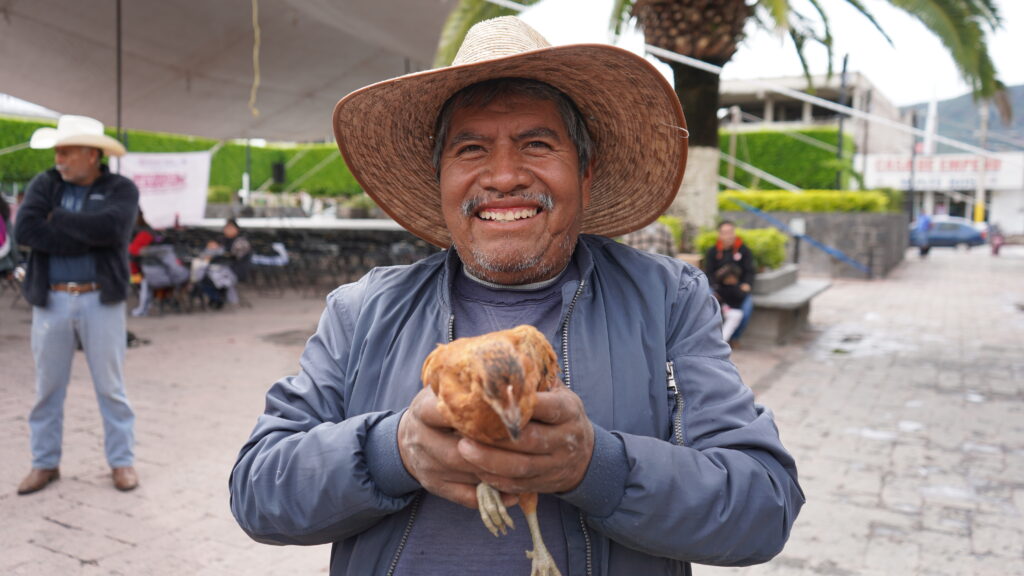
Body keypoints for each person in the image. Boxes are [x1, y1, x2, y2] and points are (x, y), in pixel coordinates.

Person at [229, 17, 802, 576]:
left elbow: (763, 505)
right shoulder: (362, 310)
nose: (504, 176)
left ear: (585, 172)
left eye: (536, 143)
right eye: (471, 149)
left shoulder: (667, 300)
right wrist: (392, 451)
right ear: (440, 179)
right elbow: (257, 491)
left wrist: (595, 466)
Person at [14, 115, 140, 494]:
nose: (59, 159)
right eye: (57, 152)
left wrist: (58, 219)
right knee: (47, 388)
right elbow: (26, 230)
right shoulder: (45, 183)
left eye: (66, 152)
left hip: (100, 299)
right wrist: (86, 233)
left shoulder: (121, 188)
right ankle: (44, 463)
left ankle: (122, 462)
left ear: (91, 154)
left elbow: (113, 230)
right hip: (50, 300)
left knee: (111, 388)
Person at [704, 220, 756, 344]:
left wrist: (747, 284)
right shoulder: (712, 252)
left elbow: (750, 271)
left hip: (738, 288)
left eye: (731, 232)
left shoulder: (744, 251)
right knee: (708, 302)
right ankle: (710, 337)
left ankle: (734, 338)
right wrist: (714, 287)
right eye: (725, 233)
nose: (728, 236)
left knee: (747, 309)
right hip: (717, 288)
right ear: (719, 235)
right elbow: (708, 273)